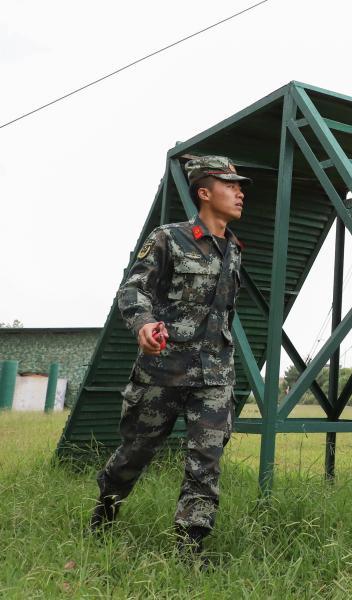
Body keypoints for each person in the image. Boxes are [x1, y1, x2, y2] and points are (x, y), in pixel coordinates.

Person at [90, 156, 250, 560]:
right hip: (162, 371)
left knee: (205, 462)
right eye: (229, 185)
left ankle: (188, 549)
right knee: (136, 452)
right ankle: (106, 507)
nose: (239, 192)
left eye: (239, 185)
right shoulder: (169, 238)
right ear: (204, 192)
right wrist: (143, 325)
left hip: (214, 375)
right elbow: (133, 290)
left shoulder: (234, 250)